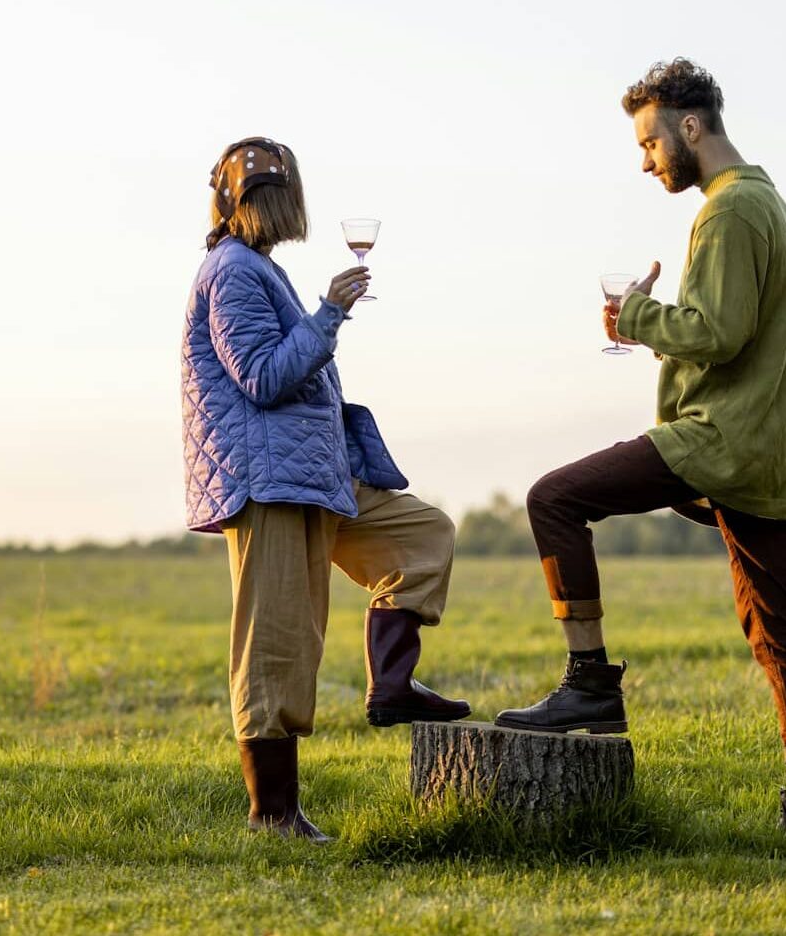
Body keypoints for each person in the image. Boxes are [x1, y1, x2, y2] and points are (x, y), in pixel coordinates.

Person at [492, 60, 786, 836]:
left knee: (554, 498)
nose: (645, 160)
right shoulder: (771, 206)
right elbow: (734, 328)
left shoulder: (729, 212)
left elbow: (718, 333)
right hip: (776, 449)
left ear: (691, 126)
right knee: (776, 624)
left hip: (723, 439)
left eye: (650, 142)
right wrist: (659, 319)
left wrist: (640, 317)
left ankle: (589, 681)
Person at [182, 136, 470, 841]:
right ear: (235, 205)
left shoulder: (262, 270)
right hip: (268, 483)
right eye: (267, 201)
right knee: (277, 643)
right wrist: (330, 313)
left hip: (316, 475)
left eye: (286, 200)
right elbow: (263, 377)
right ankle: (273, 815)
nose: (281, 213)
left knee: (424, 533)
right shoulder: (232, 272)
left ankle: (393, 685)